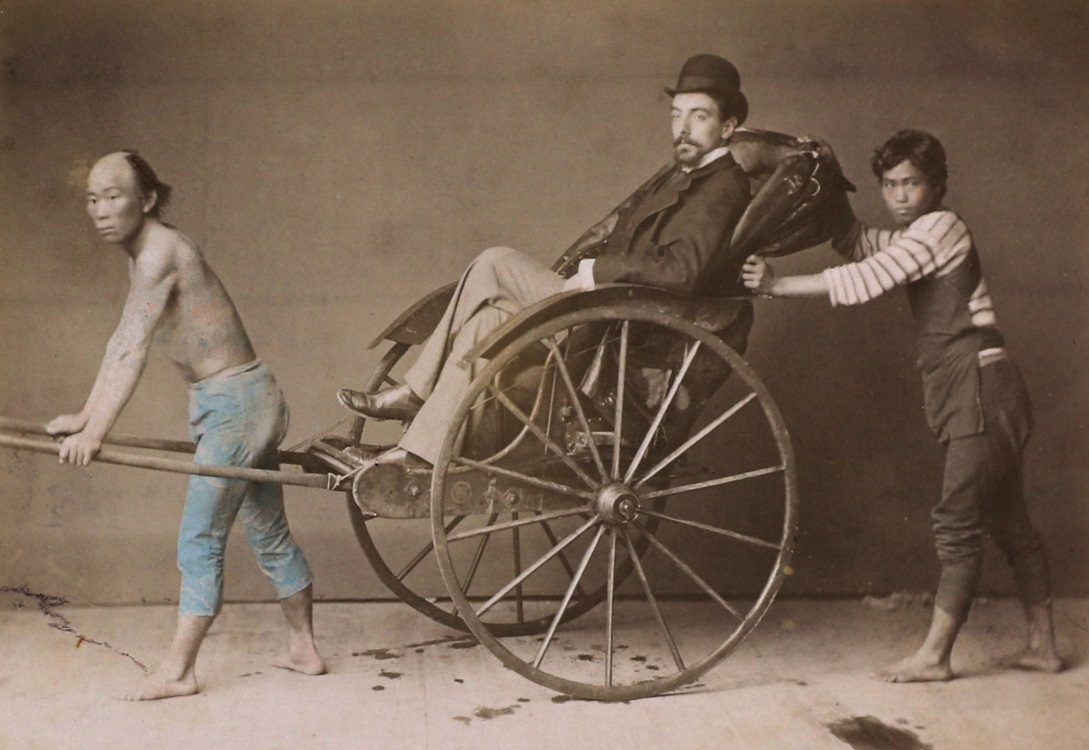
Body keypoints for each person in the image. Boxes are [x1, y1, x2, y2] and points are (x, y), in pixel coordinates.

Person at [741, 129, 1062, 682]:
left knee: (957, 523)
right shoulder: (919, 235)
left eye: (912, 183)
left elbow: (870, 275)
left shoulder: (941, 227)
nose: (900, 196)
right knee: (1009, 521)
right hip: (980, 386)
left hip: (979, 386)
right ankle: (1045, 647)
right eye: (889, 185)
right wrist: (830, 187)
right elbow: (860, 243)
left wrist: (777, 285)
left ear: (937, 185)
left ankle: (935, 656)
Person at [338, 53, 755, 467]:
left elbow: (683, 272)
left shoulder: (723, 187)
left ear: (728, 127)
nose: (682, 129)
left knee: (495, 261)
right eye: (676, 115)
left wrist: (597, 271)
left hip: (616, 323)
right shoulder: (684, 176)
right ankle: (419, 451)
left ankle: (416, 391)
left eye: (699, 117)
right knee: (482, 325)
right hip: (604, 310)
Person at [47, 151, 325, 700]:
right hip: (245, 397)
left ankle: (177, 671)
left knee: (199, 537)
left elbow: (131, 349)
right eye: (92, 198)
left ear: (148, 199)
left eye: (115, 196)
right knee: (267, 530)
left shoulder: (159, 255)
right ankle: (304, 648)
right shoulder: (146, 253)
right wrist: (85, 416)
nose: (101, 210)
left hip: (235, 406)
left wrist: (95, 433)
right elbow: (121, 342)